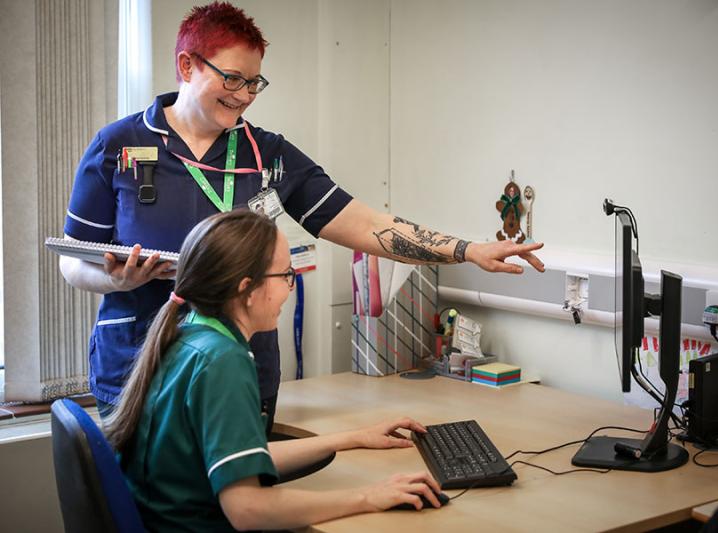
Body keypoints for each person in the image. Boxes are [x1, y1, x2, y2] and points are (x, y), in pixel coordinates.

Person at [60, 1, 546, 426]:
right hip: (141, 364)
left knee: (239, 503)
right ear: (187, 66)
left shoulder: (267, 154)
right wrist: (118, 281)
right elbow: (71, 261)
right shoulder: (118, 146)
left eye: (254, 82)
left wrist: (467, 249)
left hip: (241, 366)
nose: (244, 94)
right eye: (231, 78)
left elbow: (365, 223)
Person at [103, 209, 444, 532]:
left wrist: (353, 438)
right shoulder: (223, 360)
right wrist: (369, 496)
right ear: (246, 288)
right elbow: (247, 509)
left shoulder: (191, 333)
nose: (288, 288)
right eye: (285, 276)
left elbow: (240, 456)